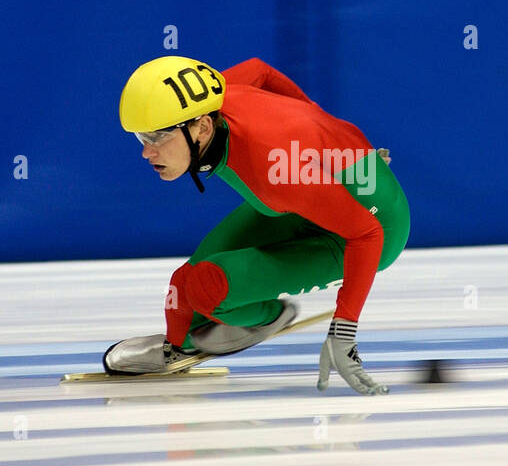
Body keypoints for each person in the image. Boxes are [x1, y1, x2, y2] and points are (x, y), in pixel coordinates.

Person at [103, 55, 410, 395]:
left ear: (203, 127)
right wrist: (323, 134)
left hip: (371, 226)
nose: (147, 152)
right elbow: (259, 70)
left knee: (208, 287)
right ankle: (181, 344)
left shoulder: (276, 172)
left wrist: (343, 333)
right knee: (183, 284)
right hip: (311, 193)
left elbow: (367, 233)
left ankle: (269, 315)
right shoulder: (215, 95)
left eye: (157, 136)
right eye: (141, 138)